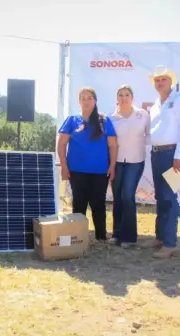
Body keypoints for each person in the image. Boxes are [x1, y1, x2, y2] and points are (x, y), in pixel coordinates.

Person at [140, 65, 180, 258]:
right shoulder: (154, 105)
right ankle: (160, 237)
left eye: (163, 79)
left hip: (172, 155)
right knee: (160, 197)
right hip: (157, 154)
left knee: (170, 198)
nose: (159, 83)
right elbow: (152, 133)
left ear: (171, 81)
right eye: (157, 80)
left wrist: (179, 156)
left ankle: (170, 243)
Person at [58, 88, 117, 242]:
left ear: (95, 101)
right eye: (83, 98)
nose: (86, 101)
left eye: (89, 98)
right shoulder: (72, 120)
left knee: (98, 203)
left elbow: (113, 145)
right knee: (79, 203)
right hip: (76, 171)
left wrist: (112, 165)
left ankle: (101, 236)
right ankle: (78, 237)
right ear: (79, 102)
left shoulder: (104, 120)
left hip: (99, 171)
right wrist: (64, 166)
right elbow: (62, 143)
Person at [109, 85, 150, 248]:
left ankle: (129, 237)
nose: (124, 98)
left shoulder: (143, 115)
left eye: (127, 95)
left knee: (127, 195)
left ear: (132, 98)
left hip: (136, 161)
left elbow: (150, 135)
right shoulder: (111, 119)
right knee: (117, 197)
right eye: (120, 95)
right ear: (117, 99)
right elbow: (110, 142)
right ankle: (116, 234)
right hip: (116, 162)